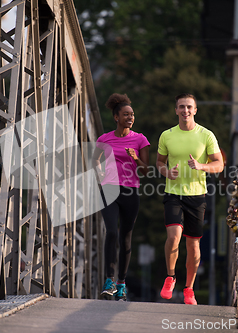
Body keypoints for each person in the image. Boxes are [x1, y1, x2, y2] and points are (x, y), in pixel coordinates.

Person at [156, 93, 224, 305]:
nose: (185, 111)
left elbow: (219, 164)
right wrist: (167, 172)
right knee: (174, 236)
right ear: (175, 110)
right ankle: (170, 277)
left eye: (189, 107)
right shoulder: (167, 135)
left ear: (195, 110)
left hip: (197, 195)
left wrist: (202, 166)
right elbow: (159, 162)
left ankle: (189, 289)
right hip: (174, 193)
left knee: (193, 246)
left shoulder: (206, 135)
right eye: (181, 107)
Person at [93, 93, 150, 301]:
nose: (130, 117)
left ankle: (121, 284)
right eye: (126, 114)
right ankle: (109, 280)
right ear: (116, 117)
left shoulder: (140, 139)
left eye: (132, 115)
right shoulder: (104, 139)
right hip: (109, 189)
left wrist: (135, 158)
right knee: (111, 232)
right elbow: (94, 161)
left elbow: (145, 171)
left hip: (130, 191)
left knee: (126, 237)